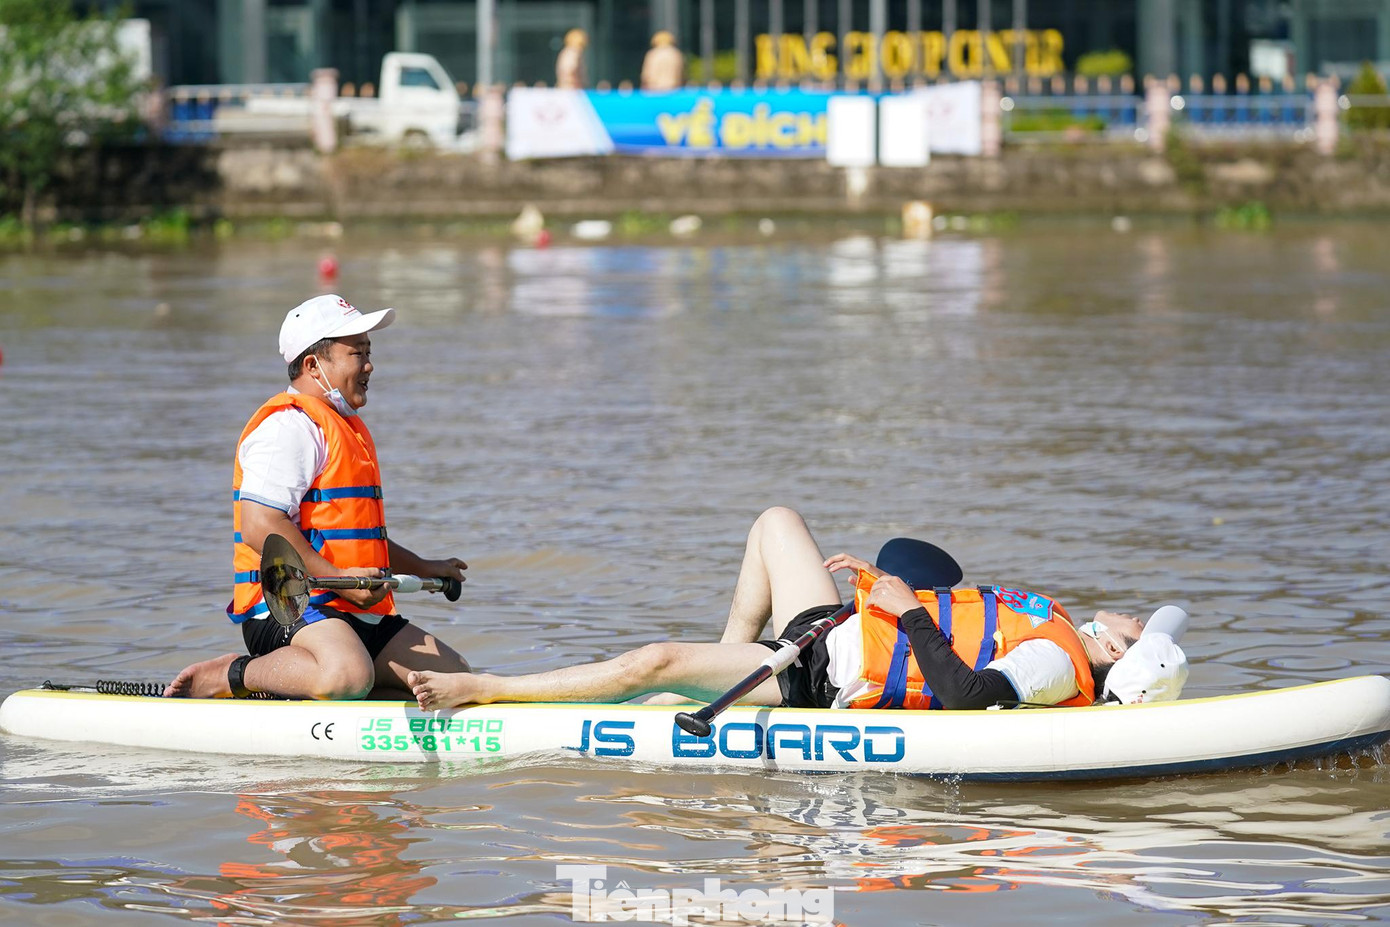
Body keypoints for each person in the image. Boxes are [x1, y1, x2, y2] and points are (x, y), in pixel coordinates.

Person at [407, 506, 1153, 712]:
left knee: (651, 660)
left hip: (822, 676)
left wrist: (908, 611)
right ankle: (714, 675)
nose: (1129, 613)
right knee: (776, 521)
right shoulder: (1052, 622)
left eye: (1136, 627)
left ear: (1118, 654)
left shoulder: (1058, 659)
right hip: (830, 629)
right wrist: (896, 590)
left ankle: (488, 686)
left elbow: (967, 695)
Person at [164, 294, 471, 700]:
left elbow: (359, 540)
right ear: (313, 365)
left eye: (369, 351)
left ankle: (346, 700)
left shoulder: (344, 428)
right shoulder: (288, 428)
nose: (369, 365)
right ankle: (230, 674)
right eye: (356, 353)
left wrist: (424, 565)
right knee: (347, 676)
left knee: (455, 677)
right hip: (286, 608)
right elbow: (260, 526)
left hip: (348, 608)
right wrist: (342, 581)